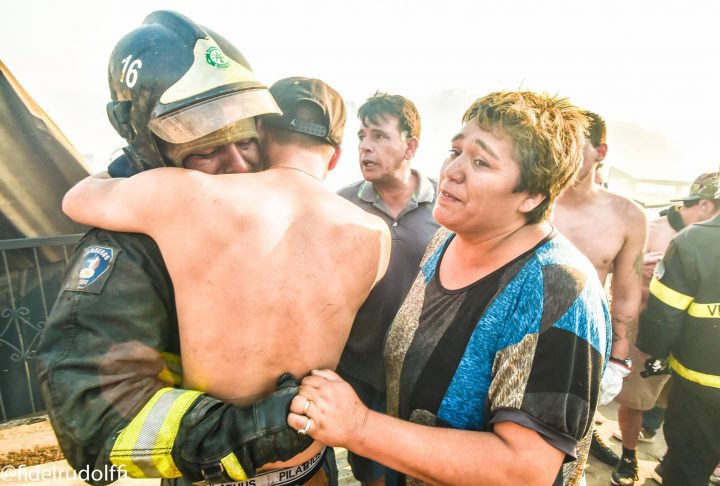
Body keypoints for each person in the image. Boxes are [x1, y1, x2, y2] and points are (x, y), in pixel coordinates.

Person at [61, 76, 391, 484]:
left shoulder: (188, 196)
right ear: (337, 155)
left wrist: (130, 169)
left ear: (261, 132)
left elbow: (76, 199)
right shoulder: (376, 234)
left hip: (218, 468)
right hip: (308, 463)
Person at [36, 12, 319, 486]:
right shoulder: (128, 247)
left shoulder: (271, 208)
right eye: (205, 147)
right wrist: (248, 432)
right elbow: (96, 423)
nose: (236, 165)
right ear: (145, 142)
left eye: (247, 140)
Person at [287, 91, 612, 485]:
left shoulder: (556, 287)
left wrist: (358, 426)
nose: (452, 171)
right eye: (455, 151)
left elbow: (524, 471)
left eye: (480, 162)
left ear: (533, 195)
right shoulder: (447, 240)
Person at [337, 92, 439, 486]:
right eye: (362, 135)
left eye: (379, 135)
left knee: (417, 470)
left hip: (423, 371)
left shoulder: (446, 206)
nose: (365, 146)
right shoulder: (341, 205)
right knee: (370, 471)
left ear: (410, 145)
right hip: (360, 367)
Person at [611, 172, 720, 485]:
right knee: (635, 402)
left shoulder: (711, 240)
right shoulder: (652, 231)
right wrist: (639, 266)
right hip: (648, 335)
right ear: (704, 205)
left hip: (695, 344)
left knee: (680, 410)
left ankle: (671, 462)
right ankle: (628, 457)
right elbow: (616, 276)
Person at [552, 111, 647, 468]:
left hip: (583, 345)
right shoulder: (529, 200)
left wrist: (618, 360)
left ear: (600, 152)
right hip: (518, 336)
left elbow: (625, 292)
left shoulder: (627, 216)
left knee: (569, 453)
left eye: (572, 145)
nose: (561, 152)